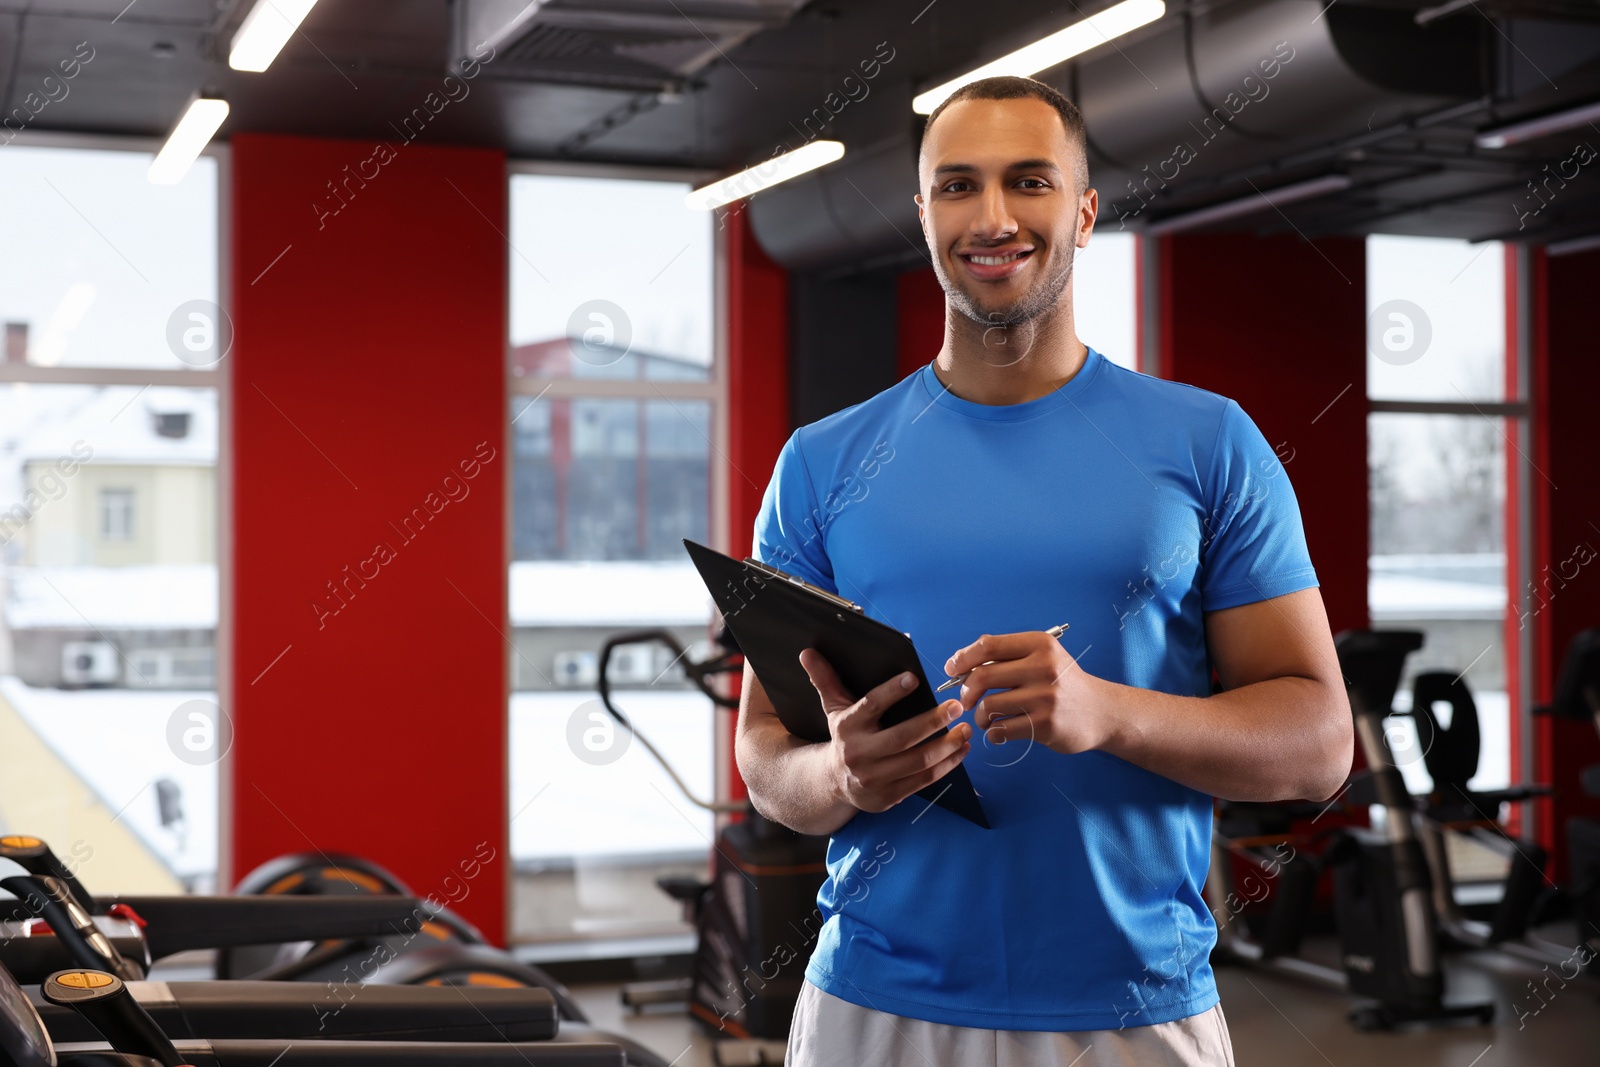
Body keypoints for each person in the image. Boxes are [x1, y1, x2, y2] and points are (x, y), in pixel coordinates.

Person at [734, 75, 1353, 1067]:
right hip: (874, 1004)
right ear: (923, 212)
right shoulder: (820, 462)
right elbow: (766, 761)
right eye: (956, 185)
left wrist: (1107, 712)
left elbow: (1319, 745)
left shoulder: (1208, 443)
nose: (992, 217)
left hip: (1132, 1007)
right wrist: (839, 771)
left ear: (1084, 209)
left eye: (1028, 181)